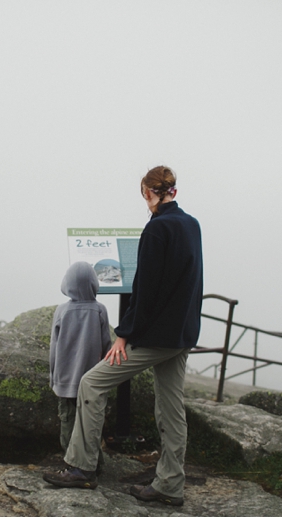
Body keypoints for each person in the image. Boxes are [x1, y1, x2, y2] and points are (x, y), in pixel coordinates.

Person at [43, 166, 203, 507]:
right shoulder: (191, 225)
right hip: (182, 334)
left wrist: (124, 336)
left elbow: (146, 290)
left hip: (156, 337)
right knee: (171, 408)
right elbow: (191, 281)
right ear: (173, 191)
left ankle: (81, 468)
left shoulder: (157, 229)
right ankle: (170, 485)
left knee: (92, 383)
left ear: (148, 193)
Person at [49, 261, 111, 473]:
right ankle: (96, 464)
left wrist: (53, 376)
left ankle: (71, 463)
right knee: (90, 425)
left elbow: (54, 347)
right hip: (93, 382)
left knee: (68, 424)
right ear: (94, 283)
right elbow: (106, 346)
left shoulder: (61, 311)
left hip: (65, 381)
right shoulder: (100, 310)